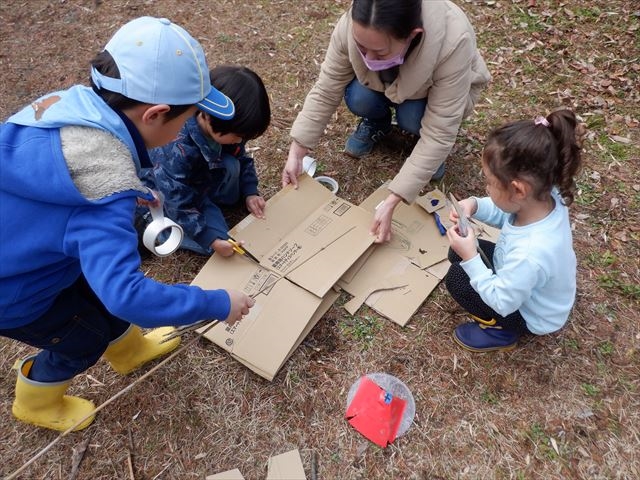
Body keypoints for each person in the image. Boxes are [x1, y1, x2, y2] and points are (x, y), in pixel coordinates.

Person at [0, 17, 256, 432]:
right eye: (183, 122)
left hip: (27, 248)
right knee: (82, 336)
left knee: (95, 297)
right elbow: (128, 297)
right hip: (14, 292)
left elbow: (68, 178)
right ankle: (37, 400)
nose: (179, 135)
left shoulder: (67, 105)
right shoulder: (102, 198)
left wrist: (128, 185)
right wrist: (216, 302)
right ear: (155, 114)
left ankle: (130, 349)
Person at [281, 0, 490, 243]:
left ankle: (421, 147)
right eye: (361, 47)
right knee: (359, 97)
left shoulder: (454, 40)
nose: (368, 57)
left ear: (413, 36)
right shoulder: (352, 23)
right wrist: (297, 150)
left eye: (379, 52)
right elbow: (327, 88)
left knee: (413, 118)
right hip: (382, 85)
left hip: (432, 97)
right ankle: (377, 122)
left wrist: (394, 198)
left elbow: (440, 131)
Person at [445, 110, 584, 352]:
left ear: (519, 190)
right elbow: (505, 212)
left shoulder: (530, 254)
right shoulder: (545, 197)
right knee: (457, 254)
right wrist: (474, 205)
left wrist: (471, 258)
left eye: (490, 182)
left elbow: (502, 300)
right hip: (531, 287)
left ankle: (502, 333)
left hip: (530, 315)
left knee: (457, 278)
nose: (486, 187)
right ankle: (473, 263)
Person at [139, 65, 271, 257]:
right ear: (210, 117)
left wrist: (250, 191)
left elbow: (241, 157)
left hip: (203, 179)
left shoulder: (224, 122)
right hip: (168, 200)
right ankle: (167, 233)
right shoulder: (175, 148)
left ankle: (215, 208)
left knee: (233, 165)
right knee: (220, 243)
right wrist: (211, 238)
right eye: (239, 135)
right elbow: (178, 202)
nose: (241, 141)